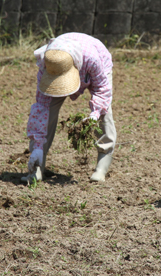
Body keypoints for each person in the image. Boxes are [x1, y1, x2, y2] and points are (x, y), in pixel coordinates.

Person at [23, 32, 117, 183]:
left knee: (104, 114)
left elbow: (102, 91)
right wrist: (38, 147)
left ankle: (101, 167)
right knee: (47, 112)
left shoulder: (93, 60)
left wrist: (94, 114)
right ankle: (38, 166)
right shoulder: (48, 63)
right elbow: (41, 108)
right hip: (65, 65)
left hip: (94, 64)